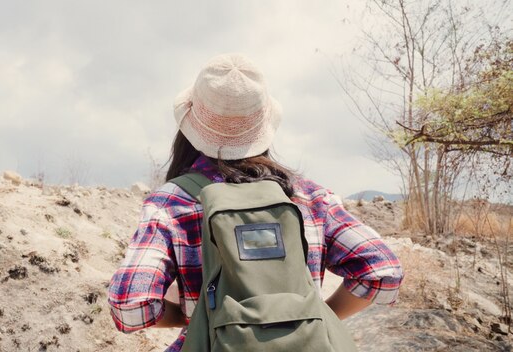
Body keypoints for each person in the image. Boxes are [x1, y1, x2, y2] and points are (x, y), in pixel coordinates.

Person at [108, 53, 404, 351]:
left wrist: (200, 319)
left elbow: (129, 307)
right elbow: (383, 272)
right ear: (263, 125)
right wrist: (313, 319)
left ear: (190, 125)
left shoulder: (171, 203)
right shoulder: (310, 198)